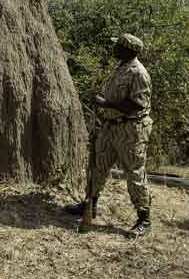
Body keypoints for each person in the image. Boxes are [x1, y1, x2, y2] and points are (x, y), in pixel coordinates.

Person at [64, 33, 153, 238]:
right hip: (110, 127)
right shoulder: (120, 67)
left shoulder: (138, 73)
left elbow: (138, 105)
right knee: (98, 167)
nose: (113, 49)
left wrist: (106, 104)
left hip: (131, 130)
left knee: (135, 173)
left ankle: (144, 219)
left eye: (117, 46)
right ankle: (90, 205)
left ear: (127, 50)